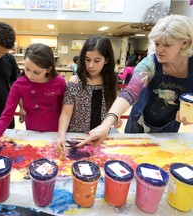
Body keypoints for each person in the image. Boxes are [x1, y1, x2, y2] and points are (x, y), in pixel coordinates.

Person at [77, 14, 193, 148]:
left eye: (166, 45)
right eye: (156, 43)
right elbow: (130, 92)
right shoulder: (149, 64)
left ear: (185, 43)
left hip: (169, 125)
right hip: (138, 122)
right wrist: (106, 124)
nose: (159, 50)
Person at [0, 43, 66, 157]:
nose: (30, 75)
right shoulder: (19, 84)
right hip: (32, 132)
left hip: (55, 133)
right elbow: (6, 116)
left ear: (48, 69)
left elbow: (64, 110)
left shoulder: (59, 82)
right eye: (27, 69)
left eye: (36, 72)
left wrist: (61, 135)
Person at [54, 36, 119, 154]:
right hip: (76, 137)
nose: (91, 65)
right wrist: (61, 136)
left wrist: (115, 119)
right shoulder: (75, 81)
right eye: (87, 59)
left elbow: (111, 107)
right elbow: (66, 113)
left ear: (107, 59)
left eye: (97, 60)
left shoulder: (111, 81)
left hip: (100, 136)